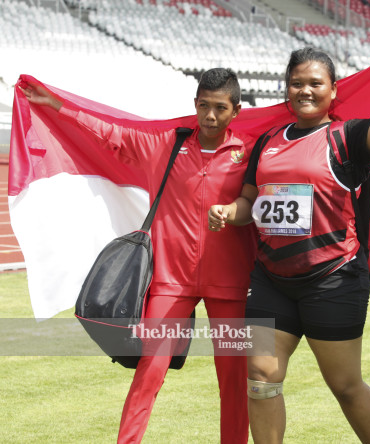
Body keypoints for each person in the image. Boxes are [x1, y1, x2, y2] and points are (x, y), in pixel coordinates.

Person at [208, 17, 370, 444]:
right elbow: (250, 202)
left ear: (333, 90)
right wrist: (228, 212)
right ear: (286, 89)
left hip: (333, 280)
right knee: (260, 376)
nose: (305, 90)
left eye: (315, 83)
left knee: (345, 386)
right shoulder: (268, 141)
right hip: (271, 280)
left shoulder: (348, 138)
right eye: (296, 83)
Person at [20, 68, 257, 444]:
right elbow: (110, 132)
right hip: (171, 283)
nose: (210, 116)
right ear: (195, 104)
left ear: (236, 110)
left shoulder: (249, 152)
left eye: (220, 108)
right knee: (150, 371)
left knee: (233, 377)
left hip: (230, 283)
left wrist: (229, 212)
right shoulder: (166, 145)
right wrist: (59, 106)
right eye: (204, 106)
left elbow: (256, 202)